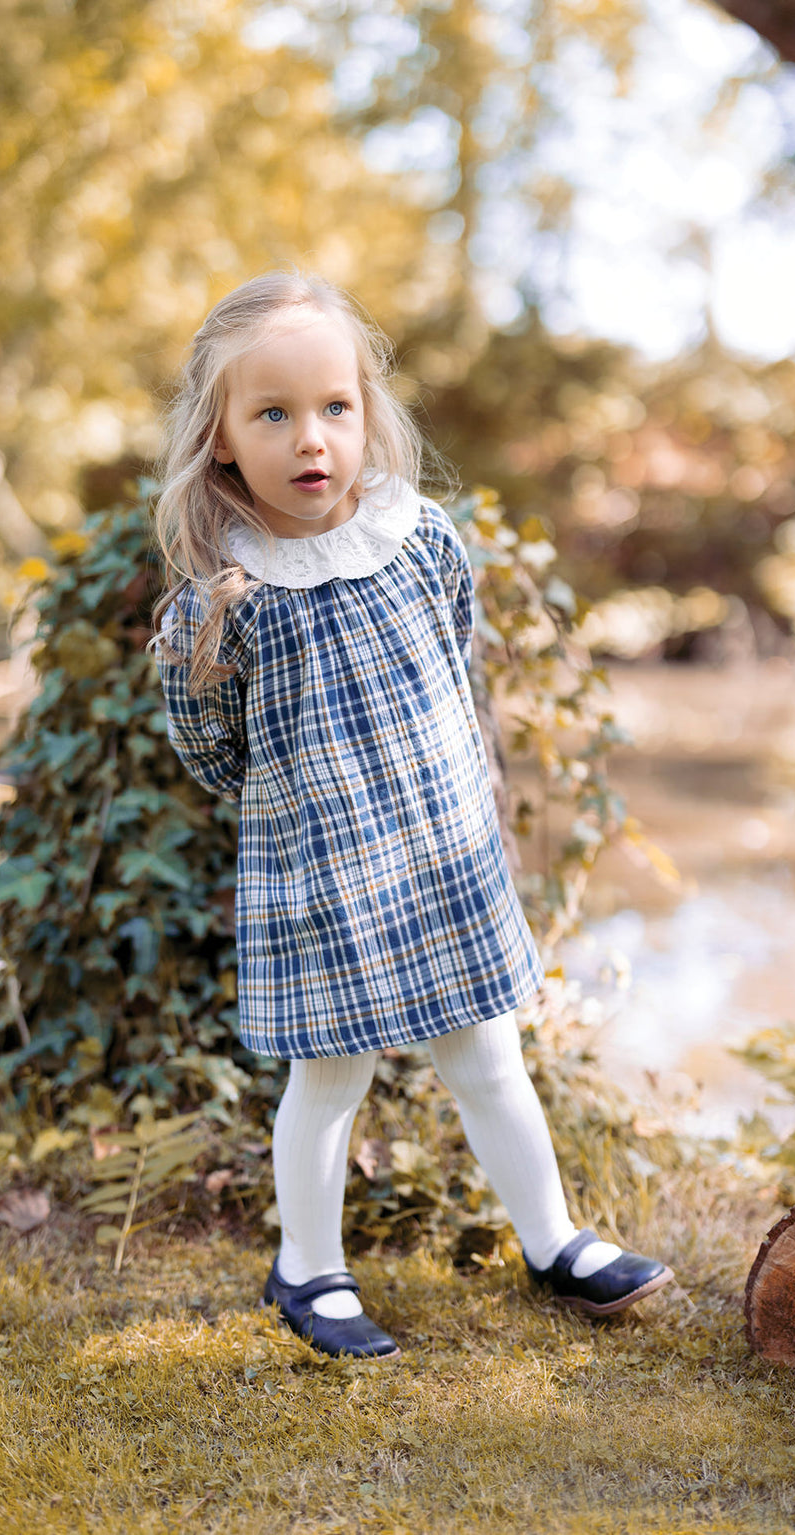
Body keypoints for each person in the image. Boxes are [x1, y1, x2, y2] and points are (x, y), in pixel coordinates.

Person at [152, 270, 673, 1360]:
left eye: (334, 406)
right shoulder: (225, 598)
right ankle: (307, 1266)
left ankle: (554, 1236)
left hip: (442, 852)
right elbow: (209, 746)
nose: (312, 438)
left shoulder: (420, 537)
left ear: (366, 411)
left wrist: (449, 796)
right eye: (274, 413)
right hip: (320, 870)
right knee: (328, 1076)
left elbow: (457, 657)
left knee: (488, 1055)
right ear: (222, 442)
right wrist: (308, 807)